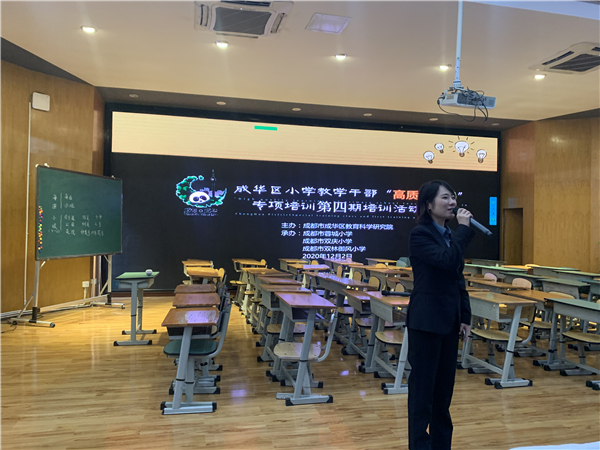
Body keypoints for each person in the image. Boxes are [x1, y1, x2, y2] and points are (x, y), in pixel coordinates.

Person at [406, 180, 474, 450]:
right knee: (422, 392)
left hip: (449, 321)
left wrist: (465, 316)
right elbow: (446, 261)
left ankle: (441, 445)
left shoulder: (449, 236)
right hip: (426, 322)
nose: (452, 202)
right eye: (445, 198)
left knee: (444, 392)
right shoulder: (420, 235)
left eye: (453, 197)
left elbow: (457, 279)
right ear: (428, 204)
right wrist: (463, 230)